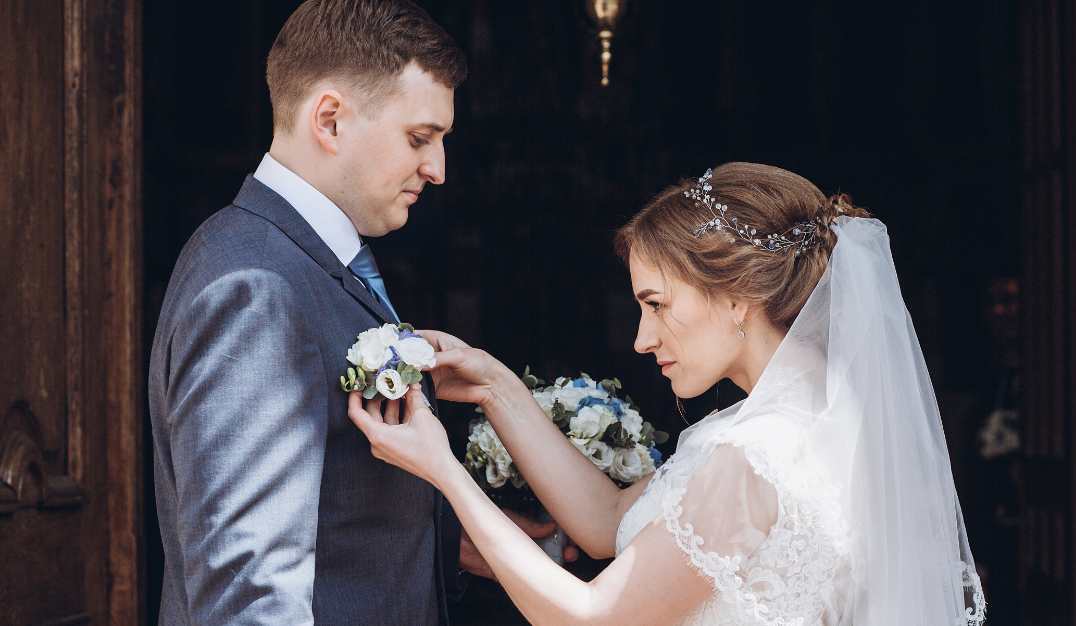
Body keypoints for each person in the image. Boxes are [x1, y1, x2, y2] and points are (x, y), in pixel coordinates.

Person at [349, 162, 988, 624]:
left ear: (738, 297)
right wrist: (495, 386)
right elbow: (609, 522)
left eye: (656, 305)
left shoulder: (753, 454)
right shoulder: (819, 419)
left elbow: (591, 617)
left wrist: (442, 470)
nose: (641, 339)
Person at [148, 2, 562, 623]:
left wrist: (457, 541)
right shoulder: (254, 288)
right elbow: (250, 593)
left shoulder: (311, 261)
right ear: (331, 119)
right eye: (420, 138)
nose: (439, 169)